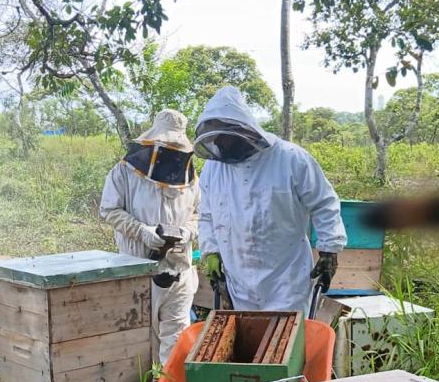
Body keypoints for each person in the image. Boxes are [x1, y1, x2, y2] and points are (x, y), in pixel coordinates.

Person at [196, 86, 347, 314]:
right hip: (238, 278)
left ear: (244, 130)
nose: (222, 146)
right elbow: (207, 214)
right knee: (250, 342)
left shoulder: (291, 158)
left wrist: (329, 251)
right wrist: (211, 251)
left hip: (286, 279)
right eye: (218, 140)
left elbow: (324, 203)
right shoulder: (213, 169)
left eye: (226, 139)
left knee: (287, 344)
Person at [100, 109, 199, 365]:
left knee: (177, 334)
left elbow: (201, 214)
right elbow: (109, 210)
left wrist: (188, 230)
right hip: (138, 265)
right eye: (167, 144)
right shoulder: (124, 172)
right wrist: (141, 231)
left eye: (176, 145)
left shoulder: (191, 178)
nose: (172, 151)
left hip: (180, 266)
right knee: (139, 335)